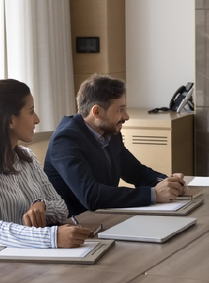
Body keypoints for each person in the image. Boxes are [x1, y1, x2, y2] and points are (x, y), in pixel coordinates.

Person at [0, 79, 91, 255]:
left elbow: (61, 208)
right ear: (10, 121)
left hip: (39, 254)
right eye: (31, 112)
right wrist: (51, 237)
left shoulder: (27, 157)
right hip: (2, 264)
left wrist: (42, 205)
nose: (37, 119)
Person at [45, 74, 186, 214]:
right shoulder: (66, 139)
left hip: (104, 217)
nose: (126, 116)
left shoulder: (110, 133)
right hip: (75, 225)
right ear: (97, 111)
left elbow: (136, 172)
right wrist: (153, 194)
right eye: (120, 110)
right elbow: (91, 196)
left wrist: (170, 183)